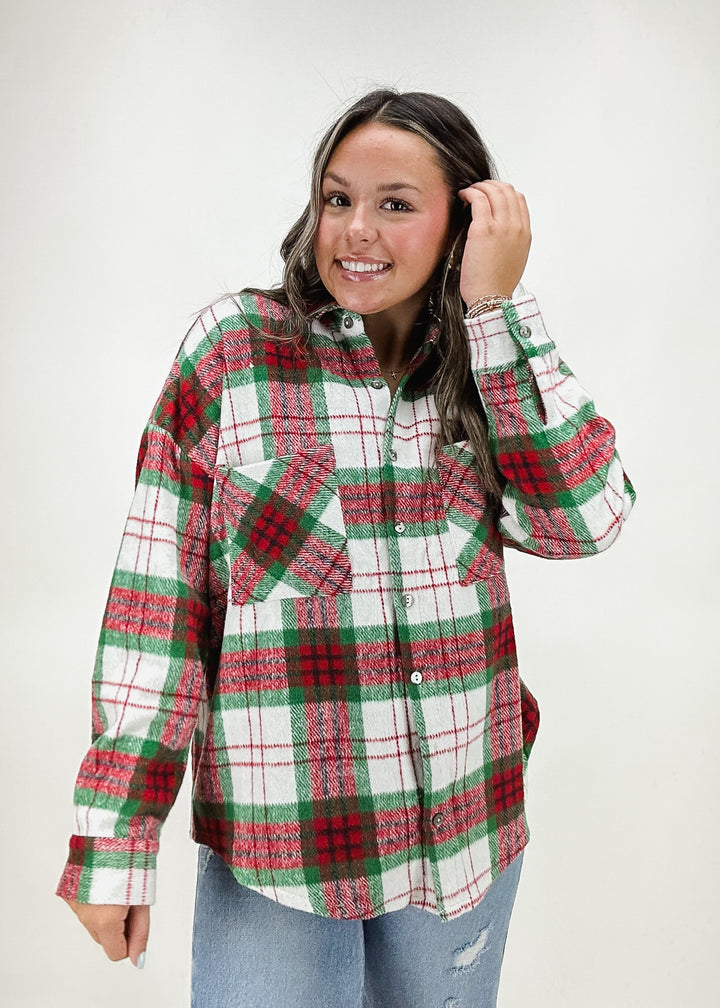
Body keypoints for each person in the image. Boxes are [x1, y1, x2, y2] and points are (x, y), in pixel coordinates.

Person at [57, 89, 635, 1007]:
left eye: (396, 203)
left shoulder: (484, 364)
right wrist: (116, 840)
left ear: (464, 221)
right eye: (337, 198)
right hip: (286, 846)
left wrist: (496, 315)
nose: (356, 230)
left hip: (465, 831)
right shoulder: (235, 351)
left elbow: (584, 518)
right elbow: (156, 606)